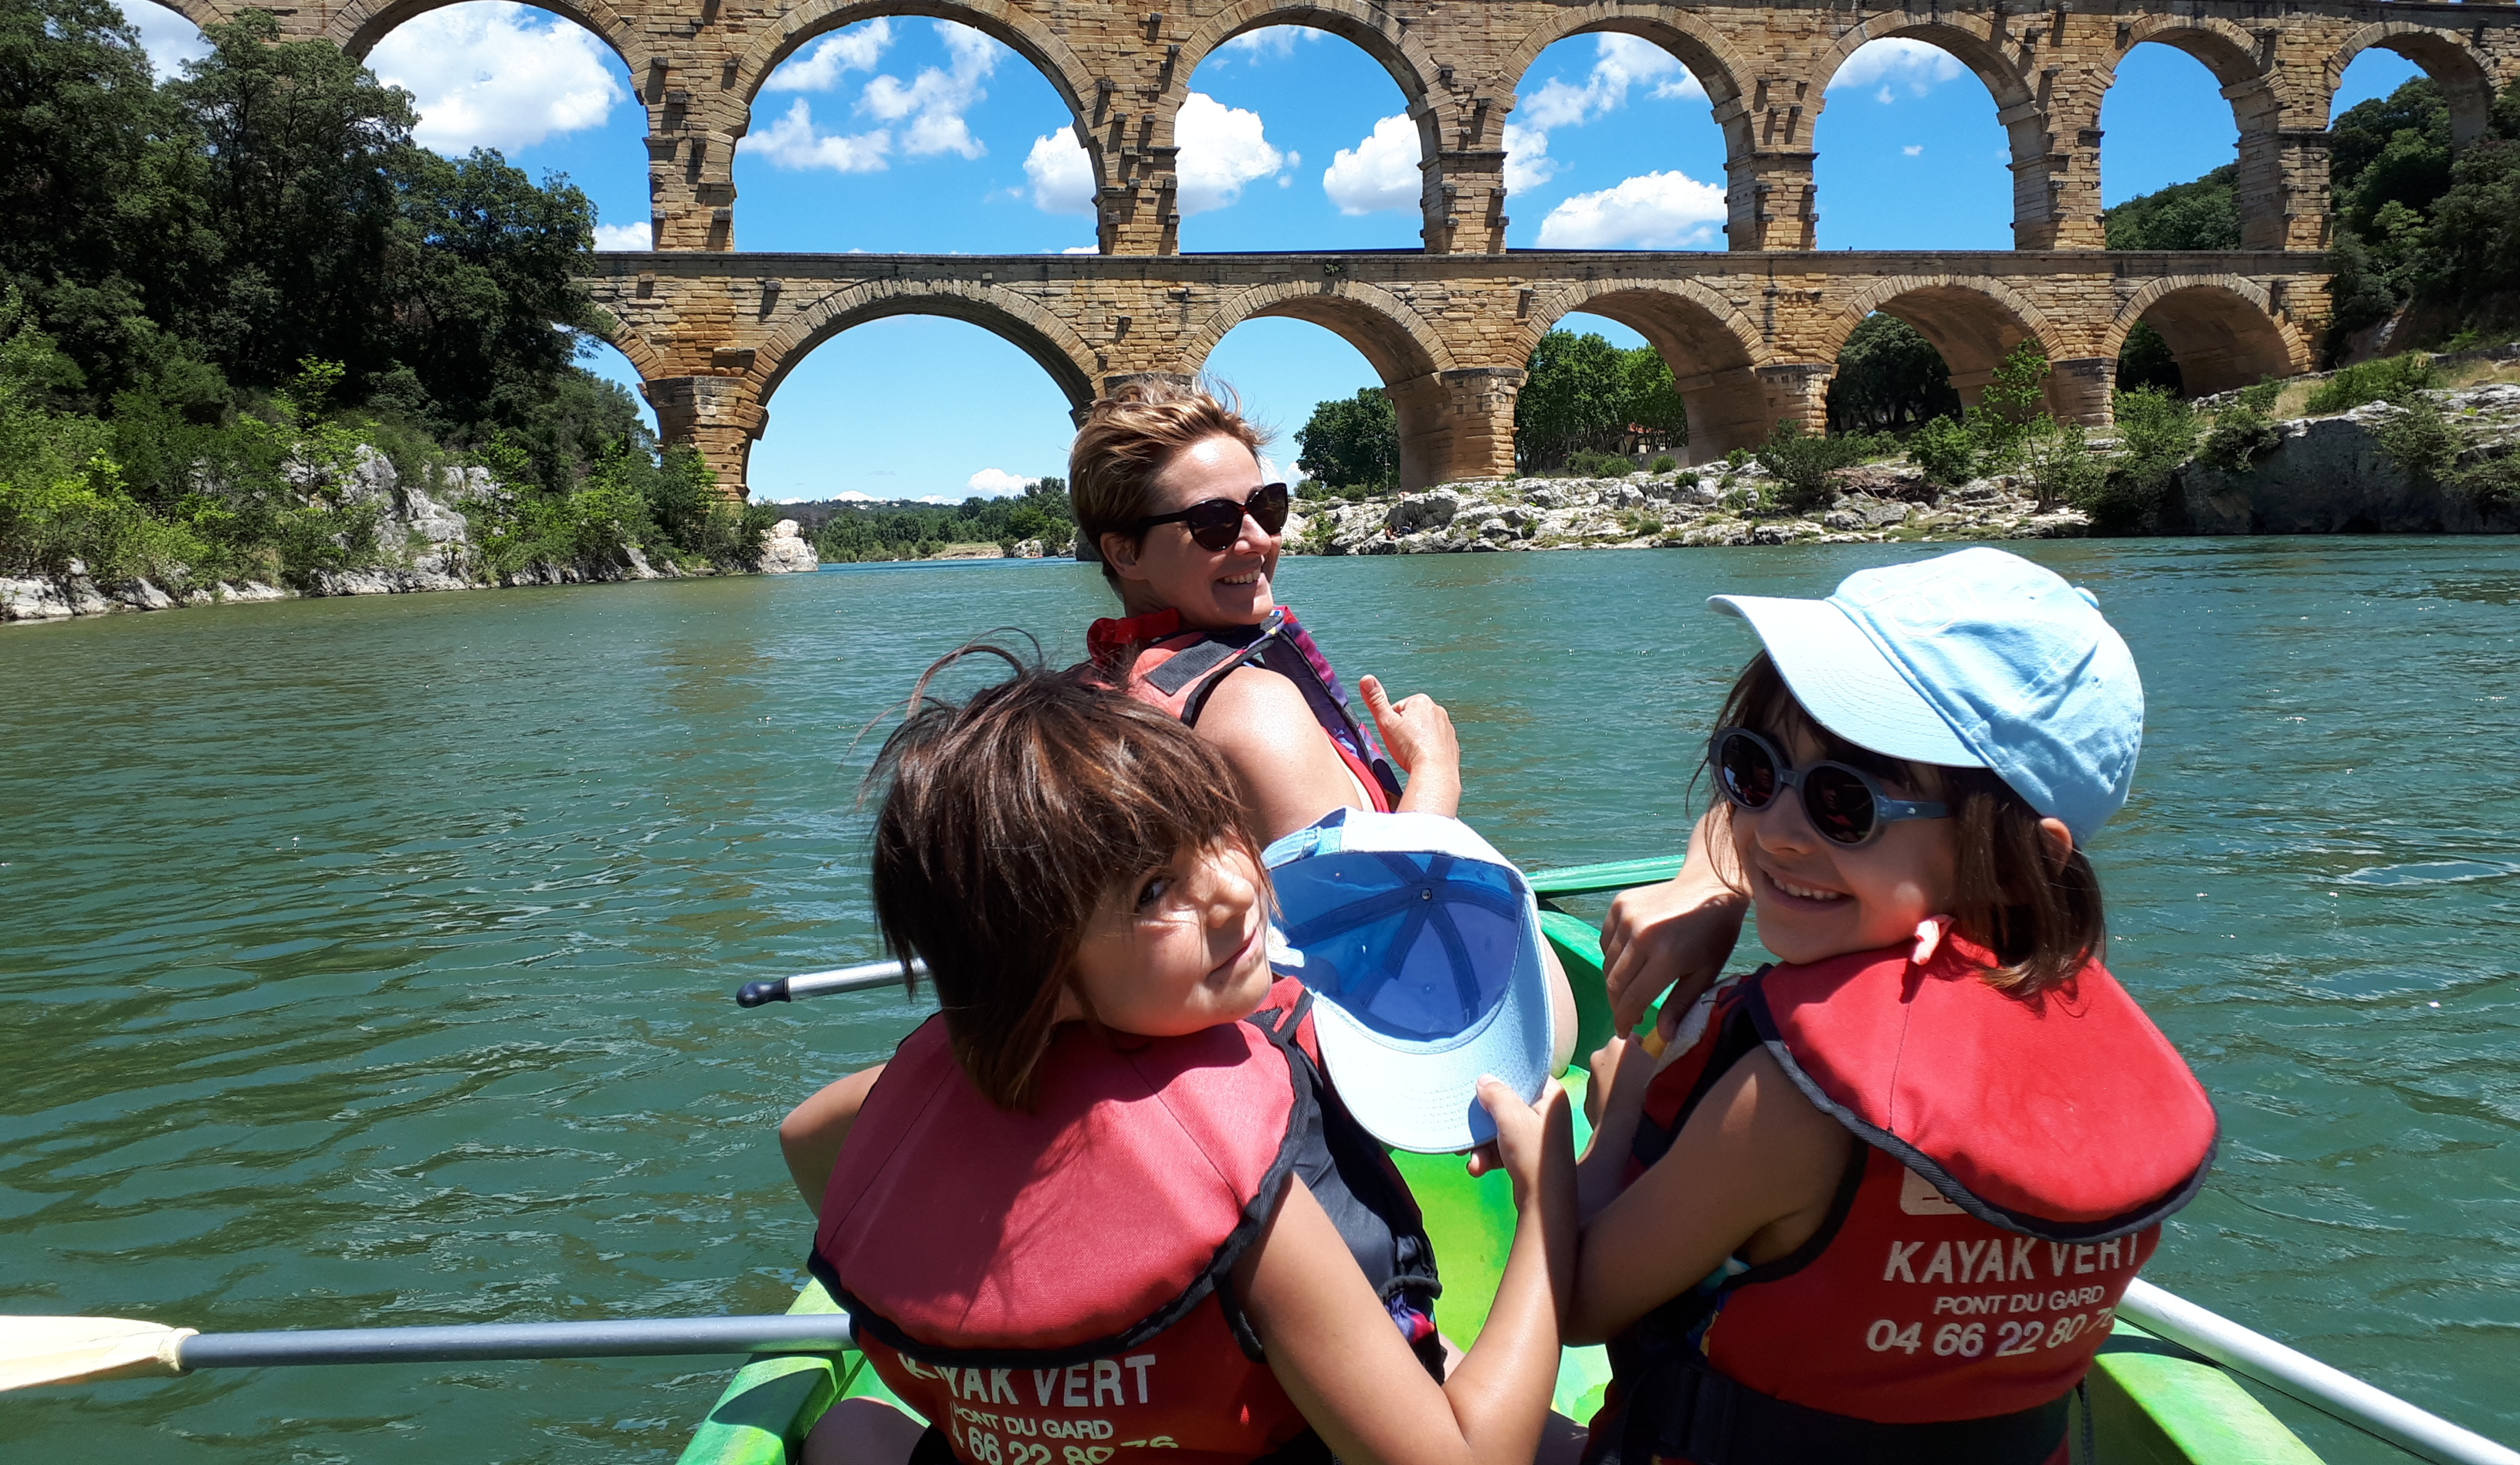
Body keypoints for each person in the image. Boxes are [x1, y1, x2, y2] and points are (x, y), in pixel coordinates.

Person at [781, 653, 1577, 1465]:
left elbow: (803, 1138)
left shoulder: (913, 1098)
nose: (1233, 890)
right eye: (1154, 891)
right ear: (1035, 971)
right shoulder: (1238, 1175)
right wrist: (1546, 1204)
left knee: (850, 1432)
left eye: (1215, 832)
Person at [1567, 549, 2218, 1465]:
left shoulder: (1790, 1105)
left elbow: (1578, 1300)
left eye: (1847, 802)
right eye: (1751, 768)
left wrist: (1626, 1089)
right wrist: (1713, 892)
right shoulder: (2103, 1053)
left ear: (2024, 848)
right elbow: (1746, 834)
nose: (1777, 830)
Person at [1068, 383, 1459, 841]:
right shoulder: (1253, 706)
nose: (1261, 538)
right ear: (1126, 554)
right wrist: (1435, 770)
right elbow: (1368, 905)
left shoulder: (1079, 699)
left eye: (1267, 506)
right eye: (1214, 520)